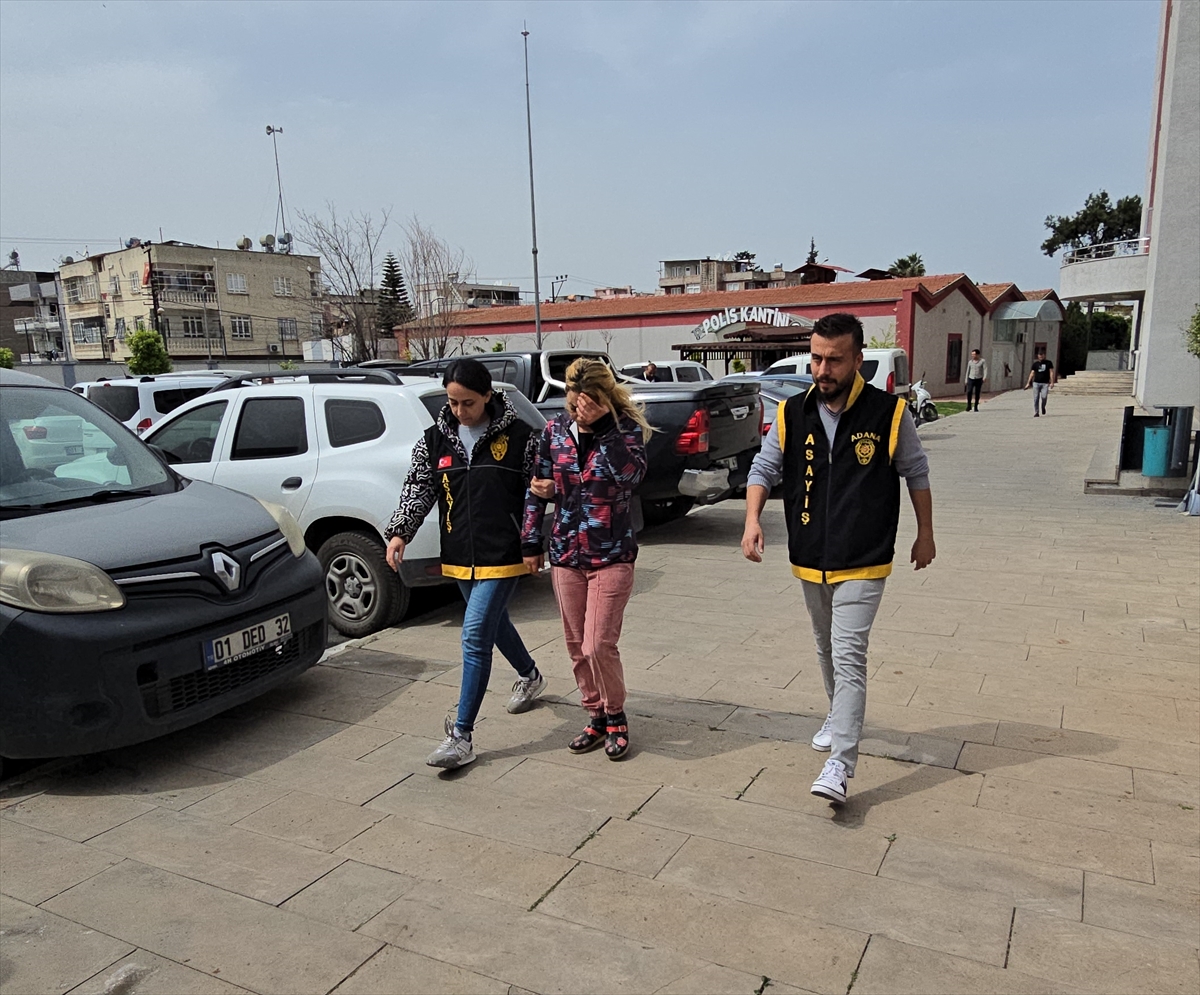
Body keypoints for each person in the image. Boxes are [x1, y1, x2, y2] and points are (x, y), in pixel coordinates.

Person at [741, 312, 935, 804]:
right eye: (816, 359)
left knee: (849, 654)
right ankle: (837, 713)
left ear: (858, 361)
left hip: (865, 555)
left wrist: (926, 534)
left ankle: (841, 765)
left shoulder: (889, 413)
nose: (822, 370)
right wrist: (751, 520)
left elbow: (916, 472)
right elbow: (763, 467)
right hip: (810, 554)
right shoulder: (792, 413)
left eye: (834, 360)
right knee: (826, 647)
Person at [385, 358, 545, 769]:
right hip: (458, 554)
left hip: (505, 553)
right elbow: (419, 487)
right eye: (453, 402)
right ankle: (530, 675)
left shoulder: (520, 437)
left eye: (468, 402)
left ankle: (461, 736)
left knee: (474, 636)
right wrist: (401, 531)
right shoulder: (435, 439)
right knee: (495, 624)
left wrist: (533, 542)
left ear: (488, 395)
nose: (460, 411)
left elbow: (535, 496)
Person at [522, 358, 650, 760]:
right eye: (574, 398)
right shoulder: (555, 431)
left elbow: (631, 476)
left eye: (589, 398)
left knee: (598, 644)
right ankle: (594, 714)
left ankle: (615, 714)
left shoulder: (624, 429)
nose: (580, 407)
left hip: (612, 553)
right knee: (576, 644)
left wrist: (606, 429)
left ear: (604, 395)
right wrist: (530, 540)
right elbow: (536, 487)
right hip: (566, 552)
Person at [1024, 348, 1055, 417]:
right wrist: (1028, 383)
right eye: (1039, 355)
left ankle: (1043, 407)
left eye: (1042, 354)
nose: (1041, 356)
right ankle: (1036, 412)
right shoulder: (1035, 364)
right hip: (1036, 383)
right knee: (1036, 398)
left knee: (1044, 397)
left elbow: (1051, 372)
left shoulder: (1048, 363)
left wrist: (1052, 382)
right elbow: (1032, 373)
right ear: (1038, 356)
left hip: (1045, 383)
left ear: (1044, 355)